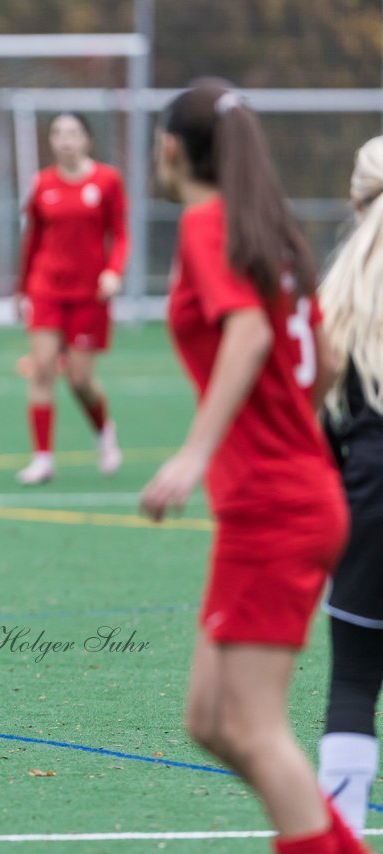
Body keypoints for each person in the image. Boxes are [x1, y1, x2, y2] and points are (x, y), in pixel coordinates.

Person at [140, 84, 367, 853]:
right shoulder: (269, 233)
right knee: (209, 719)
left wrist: (197, 451)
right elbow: (326, 358)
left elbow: (247, 334)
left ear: (170, 147)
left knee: (254, 725)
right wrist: (279, 430)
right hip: (287, 496)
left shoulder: (211, 225)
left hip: (278, 507)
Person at [316, 134, 383, 840]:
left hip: (370, 506)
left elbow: (317, 431)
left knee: (355, 687)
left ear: (353, 201)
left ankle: (341, 835)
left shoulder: (336, 299)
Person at [14, 112, 127, 485]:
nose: (65, 140)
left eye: (72, 133)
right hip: (45, 289)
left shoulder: (107, 181)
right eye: (57, 133)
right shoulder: (41, 184)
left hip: (89, 294)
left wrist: (113, 271)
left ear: (87, 140)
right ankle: (42, 458)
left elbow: (121, 235)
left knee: (79, 380)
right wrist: (21, 289)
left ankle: (104, 432)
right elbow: (31, 243)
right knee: (43, 368)